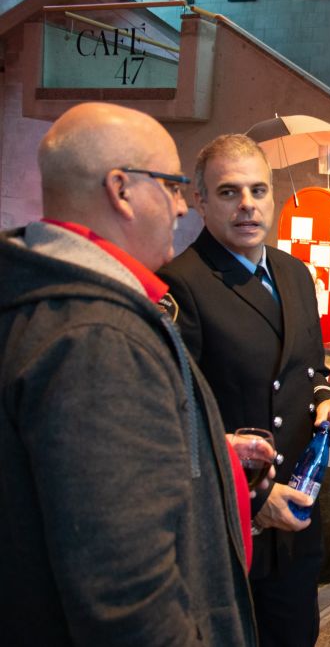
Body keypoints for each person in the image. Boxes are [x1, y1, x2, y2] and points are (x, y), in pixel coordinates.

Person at [0, 103, 257, 645]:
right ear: (121, 190)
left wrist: (211, 454)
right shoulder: (99, 340)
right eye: (172, 186)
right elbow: (126, 598)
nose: (182, 206)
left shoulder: (47, 297)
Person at [158, 134, 330, 647]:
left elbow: (309, 370)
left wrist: (328, 400)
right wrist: (253, 497)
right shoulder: (181, 285)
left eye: (258, 190)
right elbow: (172, 416)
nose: (247, 204)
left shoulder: (294, 273)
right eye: (229, 192)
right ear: (200, 200)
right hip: (231, 522)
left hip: (297, 512)